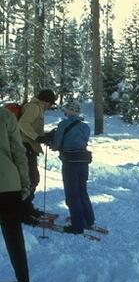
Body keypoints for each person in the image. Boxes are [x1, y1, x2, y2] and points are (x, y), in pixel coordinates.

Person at [0, 107, 32, 282]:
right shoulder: (5, 116)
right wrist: (24, 183)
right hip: (8, 183)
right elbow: (18, 152)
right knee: (13, 237)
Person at [50, 100, 95, 234]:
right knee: (82, 191)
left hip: (70, 162)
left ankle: (77, 225)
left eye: (66, 110)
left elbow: (56, 144)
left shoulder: (63, 124)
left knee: (72, 193)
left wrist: (51, 144)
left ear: (69, 112)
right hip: (83, 160)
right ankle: (89, 220)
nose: (64, 112)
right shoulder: (86, 127)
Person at [19, 89, 57, 223]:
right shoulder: (34, 107)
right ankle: (23, 212)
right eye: (51, 103)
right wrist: (38, 137)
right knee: (31, 179)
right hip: (26, 147)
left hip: (29, 146)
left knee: (32, 179)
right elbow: (22, 124)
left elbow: (32, 127)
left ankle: (27, 208)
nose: (50, 106)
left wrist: (44, 136)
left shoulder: (36, 107)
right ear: (46, 101)